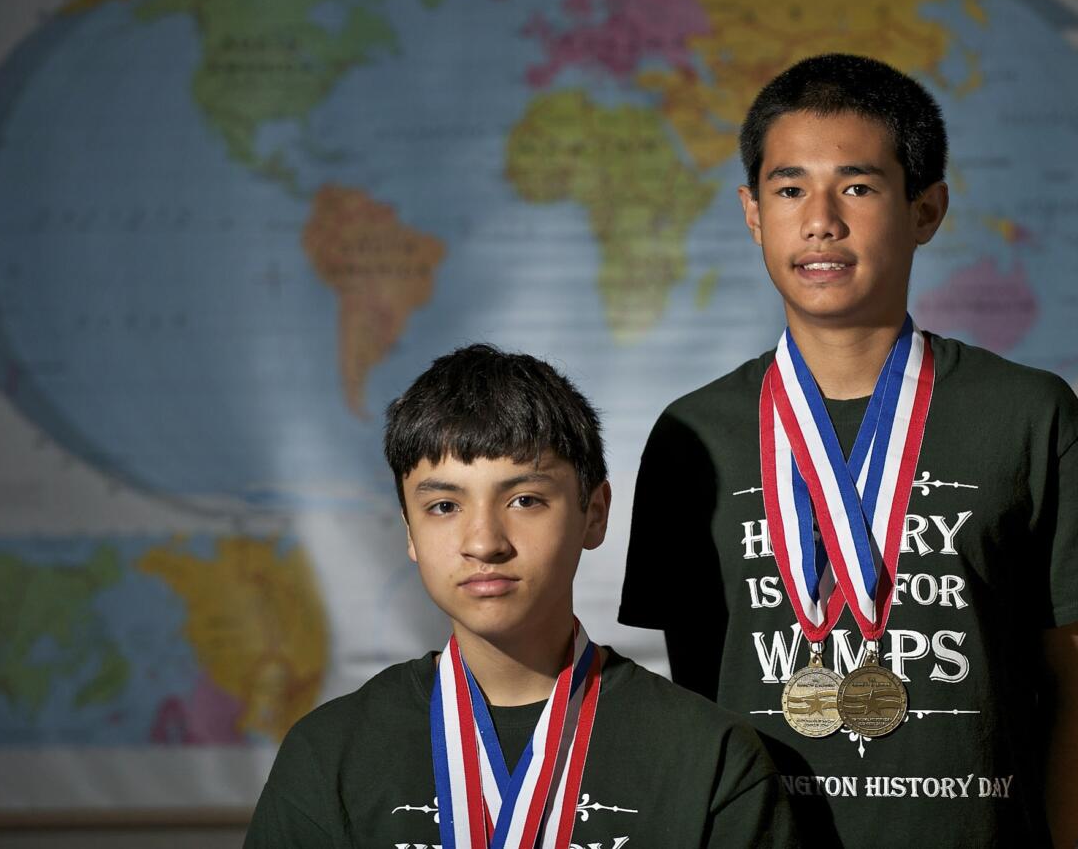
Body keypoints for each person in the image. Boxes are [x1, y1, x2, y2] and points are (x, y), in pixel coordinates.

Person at [618, 53, 1078, 849]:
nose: (820, 219)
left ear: (926, 210)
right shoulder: (695, 432)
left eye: (858, 187)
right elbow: (699, 692)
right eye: (789, 187)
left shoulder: (1025, 413)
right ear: (752, 212)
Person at [245, 343, 799, 847]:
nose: (483, 542)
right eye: (444, 506)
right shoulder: (332, 754)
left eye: (525, 500)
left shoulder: (707, 756)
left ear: (595, 514)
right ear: (410, 532)